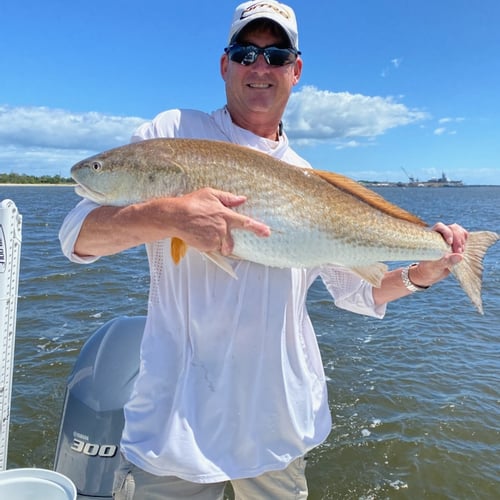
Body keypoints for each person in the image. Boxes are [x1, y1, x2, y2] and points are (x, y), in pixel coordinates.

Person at [59, 1, 468, 498]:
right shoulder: (172, 133)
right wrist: (170, 216)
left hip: (277, 426)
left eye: (276, 56)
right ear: (224, 63)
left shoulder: (306, 172)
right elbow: (75, 236)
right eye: (245, 52)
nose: (260, 66)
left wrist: (423, 272)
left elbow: (357, 291)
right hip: (174, 426)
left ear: (295, 71)